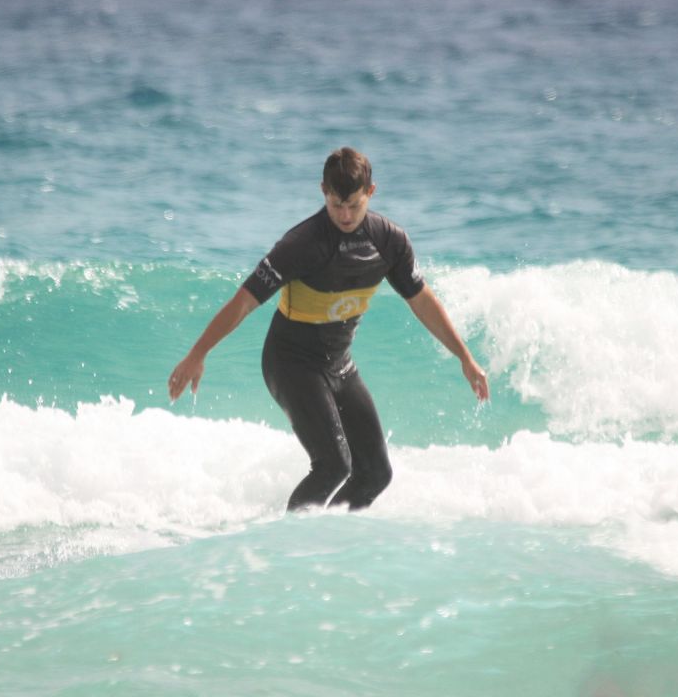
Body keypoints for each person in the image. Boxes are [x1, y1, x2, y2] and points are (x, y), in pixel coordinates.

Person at [167, 147, 489, 511]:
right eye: (337, 205)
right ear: (323, 192)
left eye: (354, 205)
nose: (345, 215)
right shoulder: (301, 244)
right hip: (291, 364)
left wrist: (465, 357)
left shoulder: (389, 241)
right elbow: (243, 302)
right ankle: (289, 538)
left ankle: (331, 540)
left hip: (339, 365)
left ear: (371, 192)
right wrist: (197, 354)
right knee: (333, 465)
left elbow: (422, 301)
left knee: (376, 474)